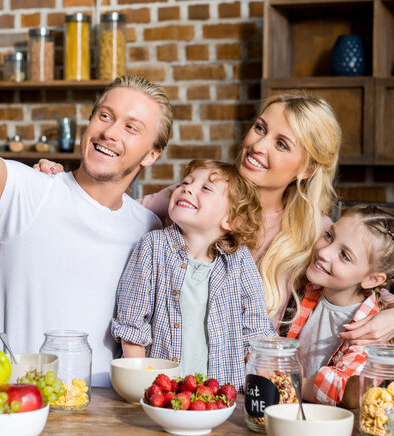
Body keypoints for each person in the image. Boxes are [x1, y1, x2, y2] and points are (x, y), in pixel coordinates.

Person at [0, 11, 174, 387]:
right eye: (105, 115)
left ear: (151, 154)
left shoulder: (148, 228)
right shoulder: (30, 191)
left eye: (131, 127)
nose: (109, 132)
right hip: (20, 407)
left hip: (104, 417)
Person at [37, 93, 394, 343]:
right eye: (260, 128)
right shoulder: (194, 197)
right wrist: (65, 184)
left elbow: (364, 287)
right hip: (170, 385)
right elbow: (111, 214)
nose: (258, 145)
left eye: (282, 144)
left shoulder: (316, 232)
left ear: (307, 168)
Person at [111, 159, 276, 389]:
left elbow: (255, 328)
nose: (187, 188)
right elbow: (132, 325)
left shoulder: (239, 260)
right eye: (185, 182)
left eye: (206, 188)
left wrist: (268, 381)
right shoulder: (152, 246)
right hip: (163, 391)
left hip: (222, 394)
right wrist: (144, 385)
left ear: (230, 220)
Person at [286, 205, 394, 407]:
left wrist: (285, 382)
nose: (325, 252)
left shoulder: (370, 329)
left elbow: (341, 388)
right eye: (329, 236)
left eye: (345, 255)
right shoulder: (308, 289)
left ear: (372, 280)